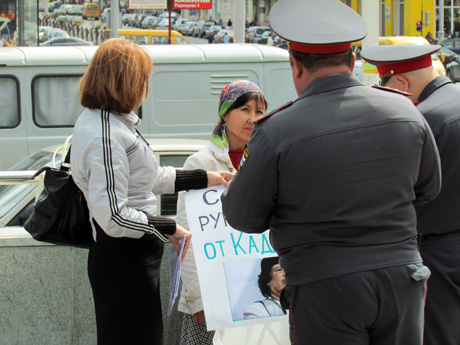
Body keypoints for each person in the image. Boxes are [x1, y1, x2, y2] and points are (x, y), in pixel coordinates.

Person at [221, 0, 442, 344]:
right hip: (402, 279)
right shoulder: (405, 110)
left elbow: (243, 217)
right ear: (353, 62)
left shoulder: (277, 130)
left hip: (325, 287)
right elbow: (428, 189)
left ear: (295, 66)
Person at [71, 38, 233, 345]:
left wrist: (204, 177)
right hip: (123, 259)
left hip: (132, 256)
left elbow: (146, 178)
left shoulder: (112, 123)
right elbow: (114, 216)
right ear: (126, 82)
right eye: (143, 79)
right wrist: (169, 227)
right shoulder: (107, 133)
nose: (146, 87)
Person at [361, 44, 460, 345]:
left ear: (402, 83)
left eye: (386, 89)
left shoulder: (421, 119)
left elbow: (396, 192)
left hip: (438, 251)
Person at [176, 80, 267, 345]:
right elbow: (187, 237)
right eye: (245, 110)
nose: (253, 119)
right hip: (212, 293)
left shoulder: (267, 157)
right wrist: (197, 298)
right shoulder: (200, 163)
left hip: (258, 290)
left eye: (259, 112)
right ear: (225, 113)